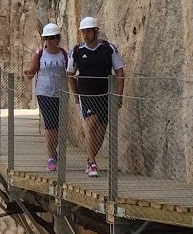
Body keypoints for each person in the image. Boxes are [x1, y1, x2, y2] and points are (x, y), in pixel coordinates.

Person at [67, 16, 124, 177]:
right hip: (87, 92)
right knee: (91, 123)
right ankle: (92, 162)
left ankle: (90, 159)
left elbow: (119, 71)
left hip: (105, 93)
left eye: (88, 31)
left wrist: (119, 95)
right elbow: (70, 74)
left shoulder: (108, 49)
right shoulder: (77, 51)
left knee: (102, 127)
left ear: (95, 32)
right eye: (83, 32)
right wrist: (76, 94)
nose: (85, 35)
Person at [25, 23, 68, 171]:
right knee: (50, 124)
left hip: (60, 93)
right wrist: (27, 73)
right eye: (46, 38)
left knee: (57, 124)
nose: (48, 41)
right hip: (44, 92)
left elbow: (70, 71)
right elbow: (32, 71)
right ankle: (50, 157)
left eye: (51, 38)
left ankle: (53, 151)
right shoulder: (40, 54)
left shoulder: (64, 54)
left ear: (57, 39)